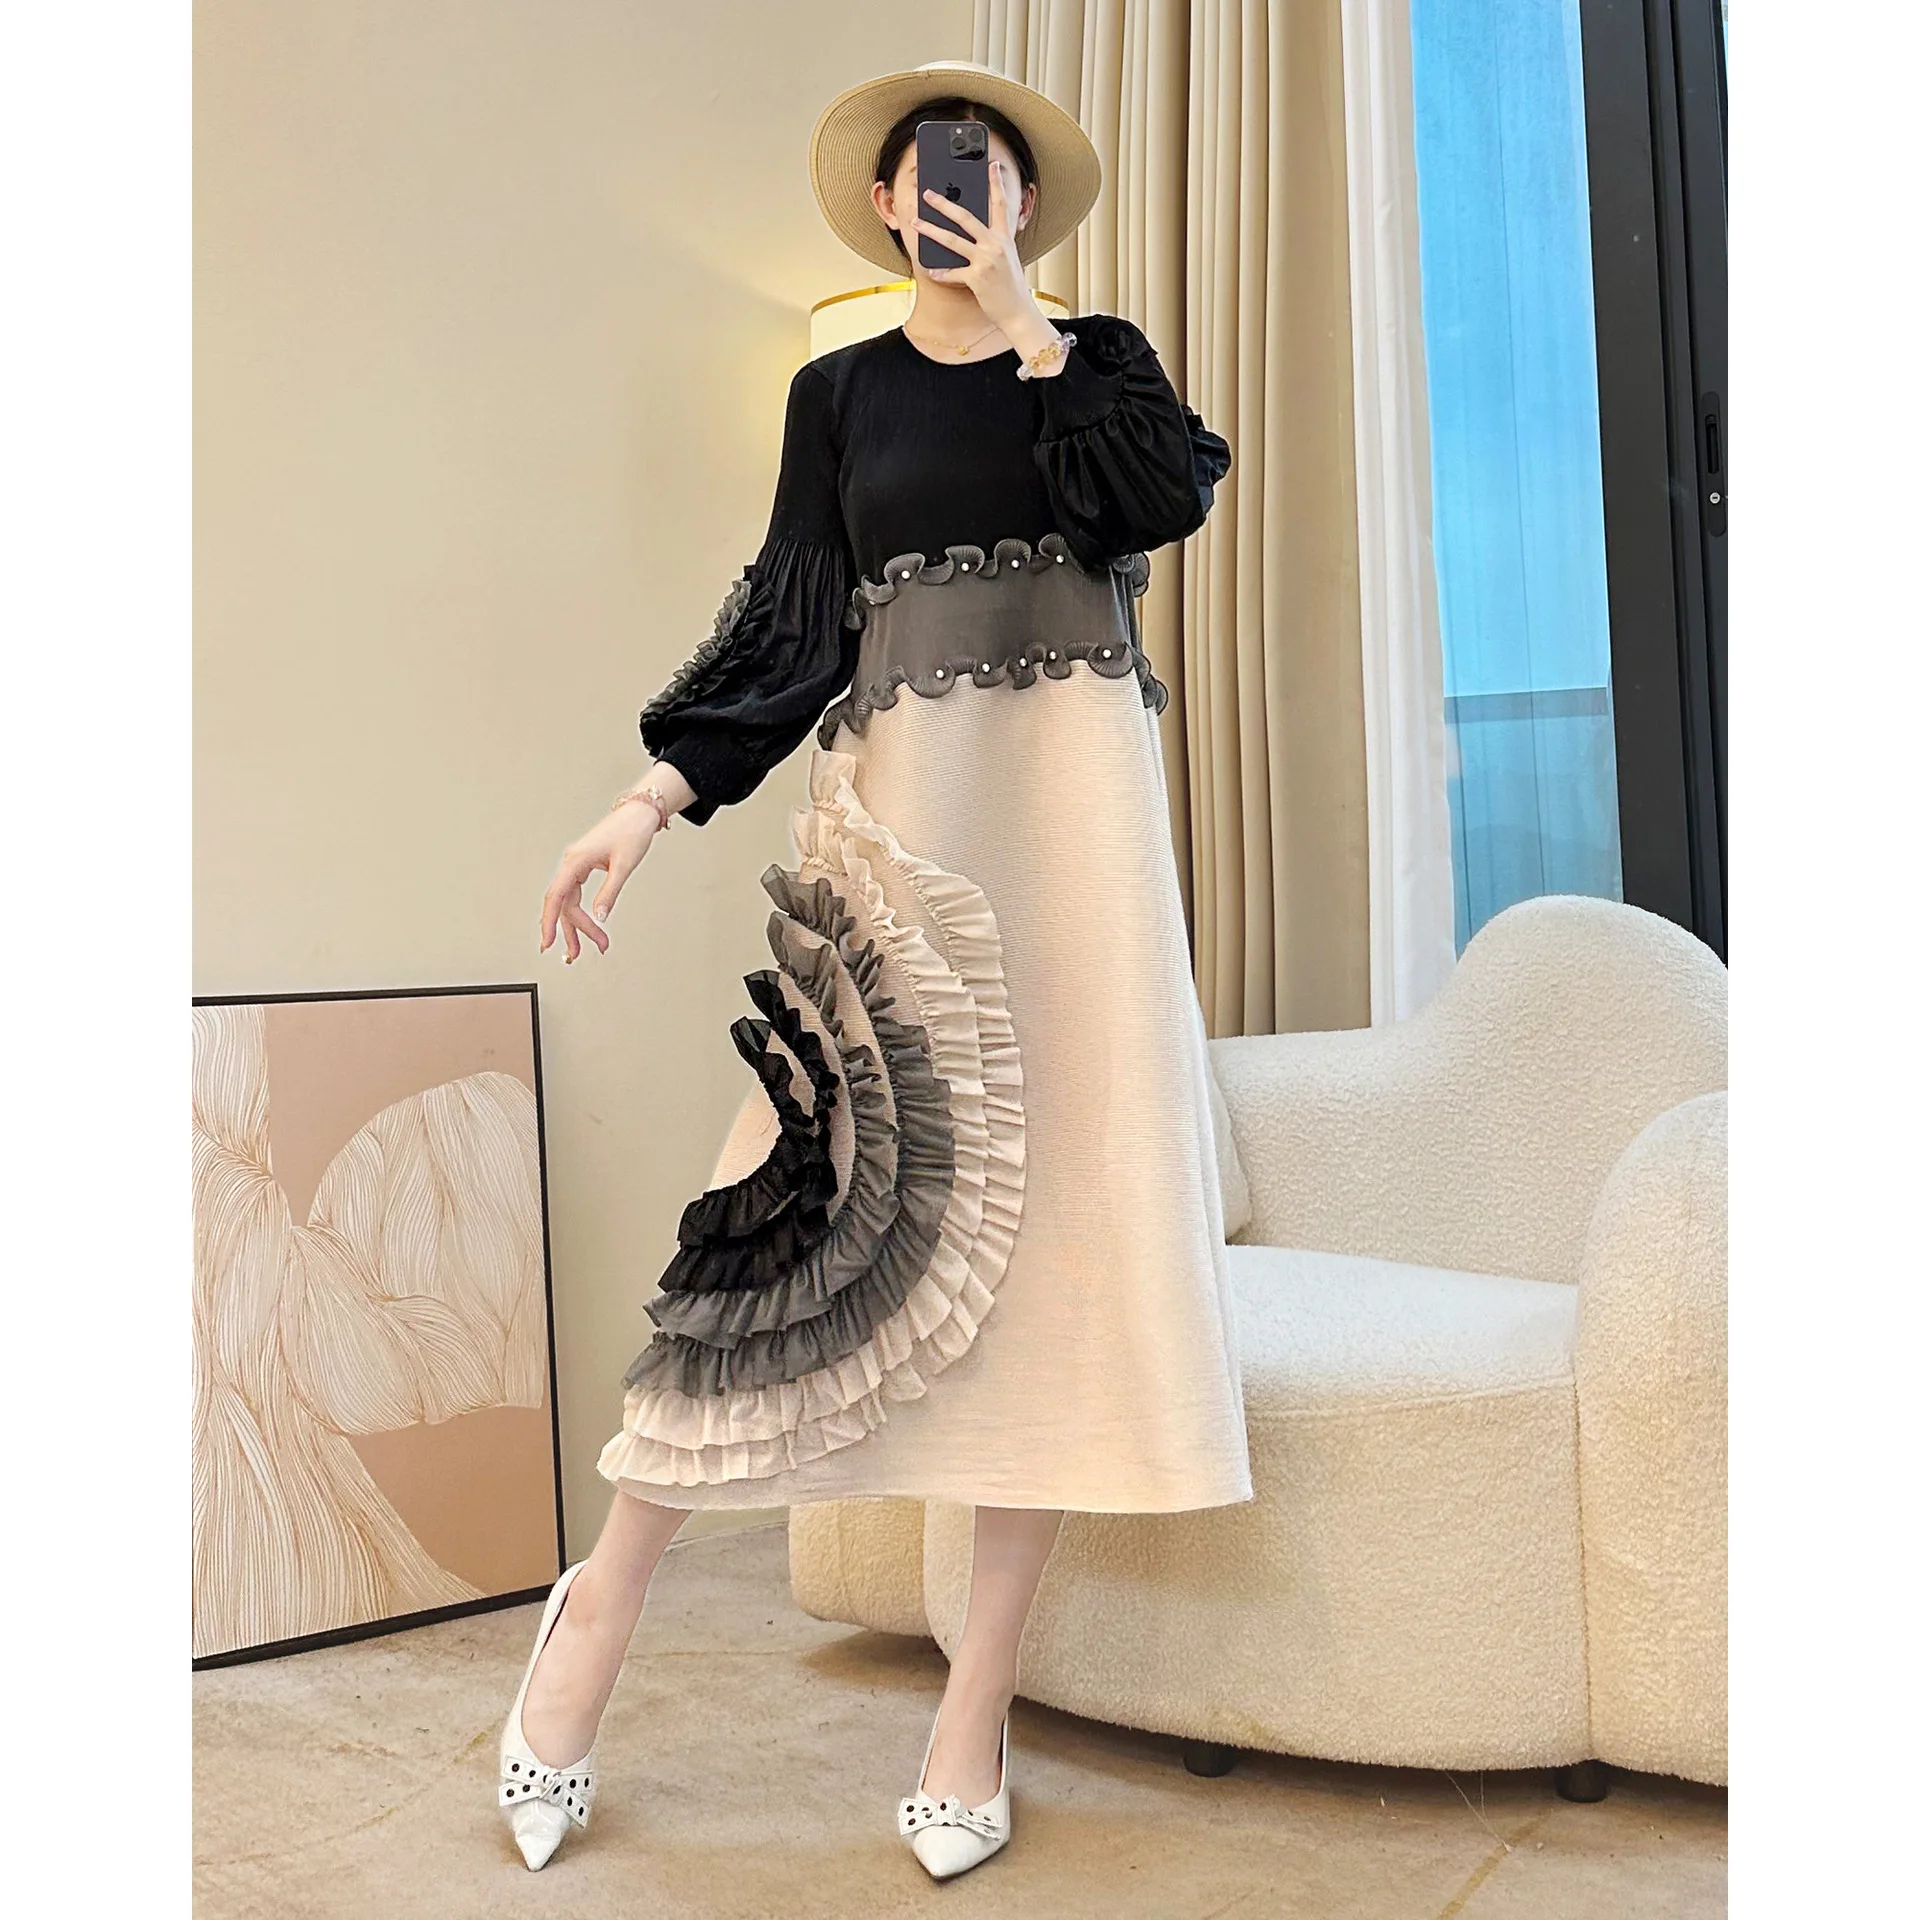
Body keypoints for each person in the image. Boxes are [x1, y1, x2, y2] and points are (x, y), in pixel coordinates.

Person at [503, 58, 1252, 1884]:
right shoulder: (836, 394)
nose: (949, 189)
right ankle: (595, 1616)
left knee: (1067, 1247)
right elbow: (790, 622)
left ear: (1019, 198)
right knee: (777, 1216)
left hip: (1080, 870)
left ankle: (972, 1710)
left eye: (978, 167)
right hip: (907, 848)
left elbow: (1152, 503)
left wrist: (1032, 331)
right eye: (926, 169)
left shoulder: (1102, 364)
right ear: (888, 199)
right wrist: (646, 803)